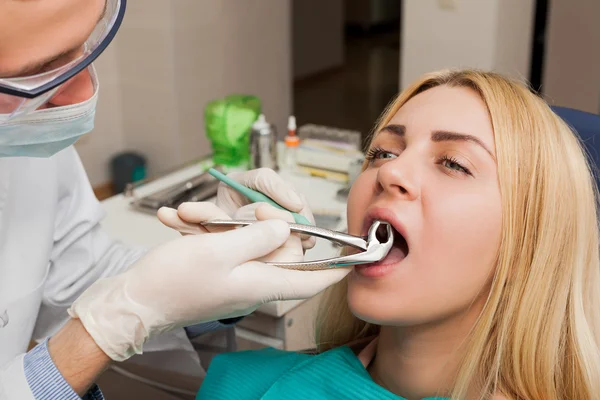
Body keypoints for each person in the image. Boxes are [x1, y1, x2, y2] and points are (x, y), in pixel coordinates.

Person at [0, 0, 349, 398]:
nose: (85, 92)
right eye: (37, 73)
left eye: (86, 45)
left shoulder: (21, 140)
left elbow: (80, 278)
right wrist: (101, 331)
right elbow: (108, 315)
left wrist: (214, 274)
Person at [192, 70, 600, 399]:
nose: (390, 171)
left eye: (454, 163)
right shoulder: (241, 384)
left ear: (528, 247)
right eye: (384, 152)